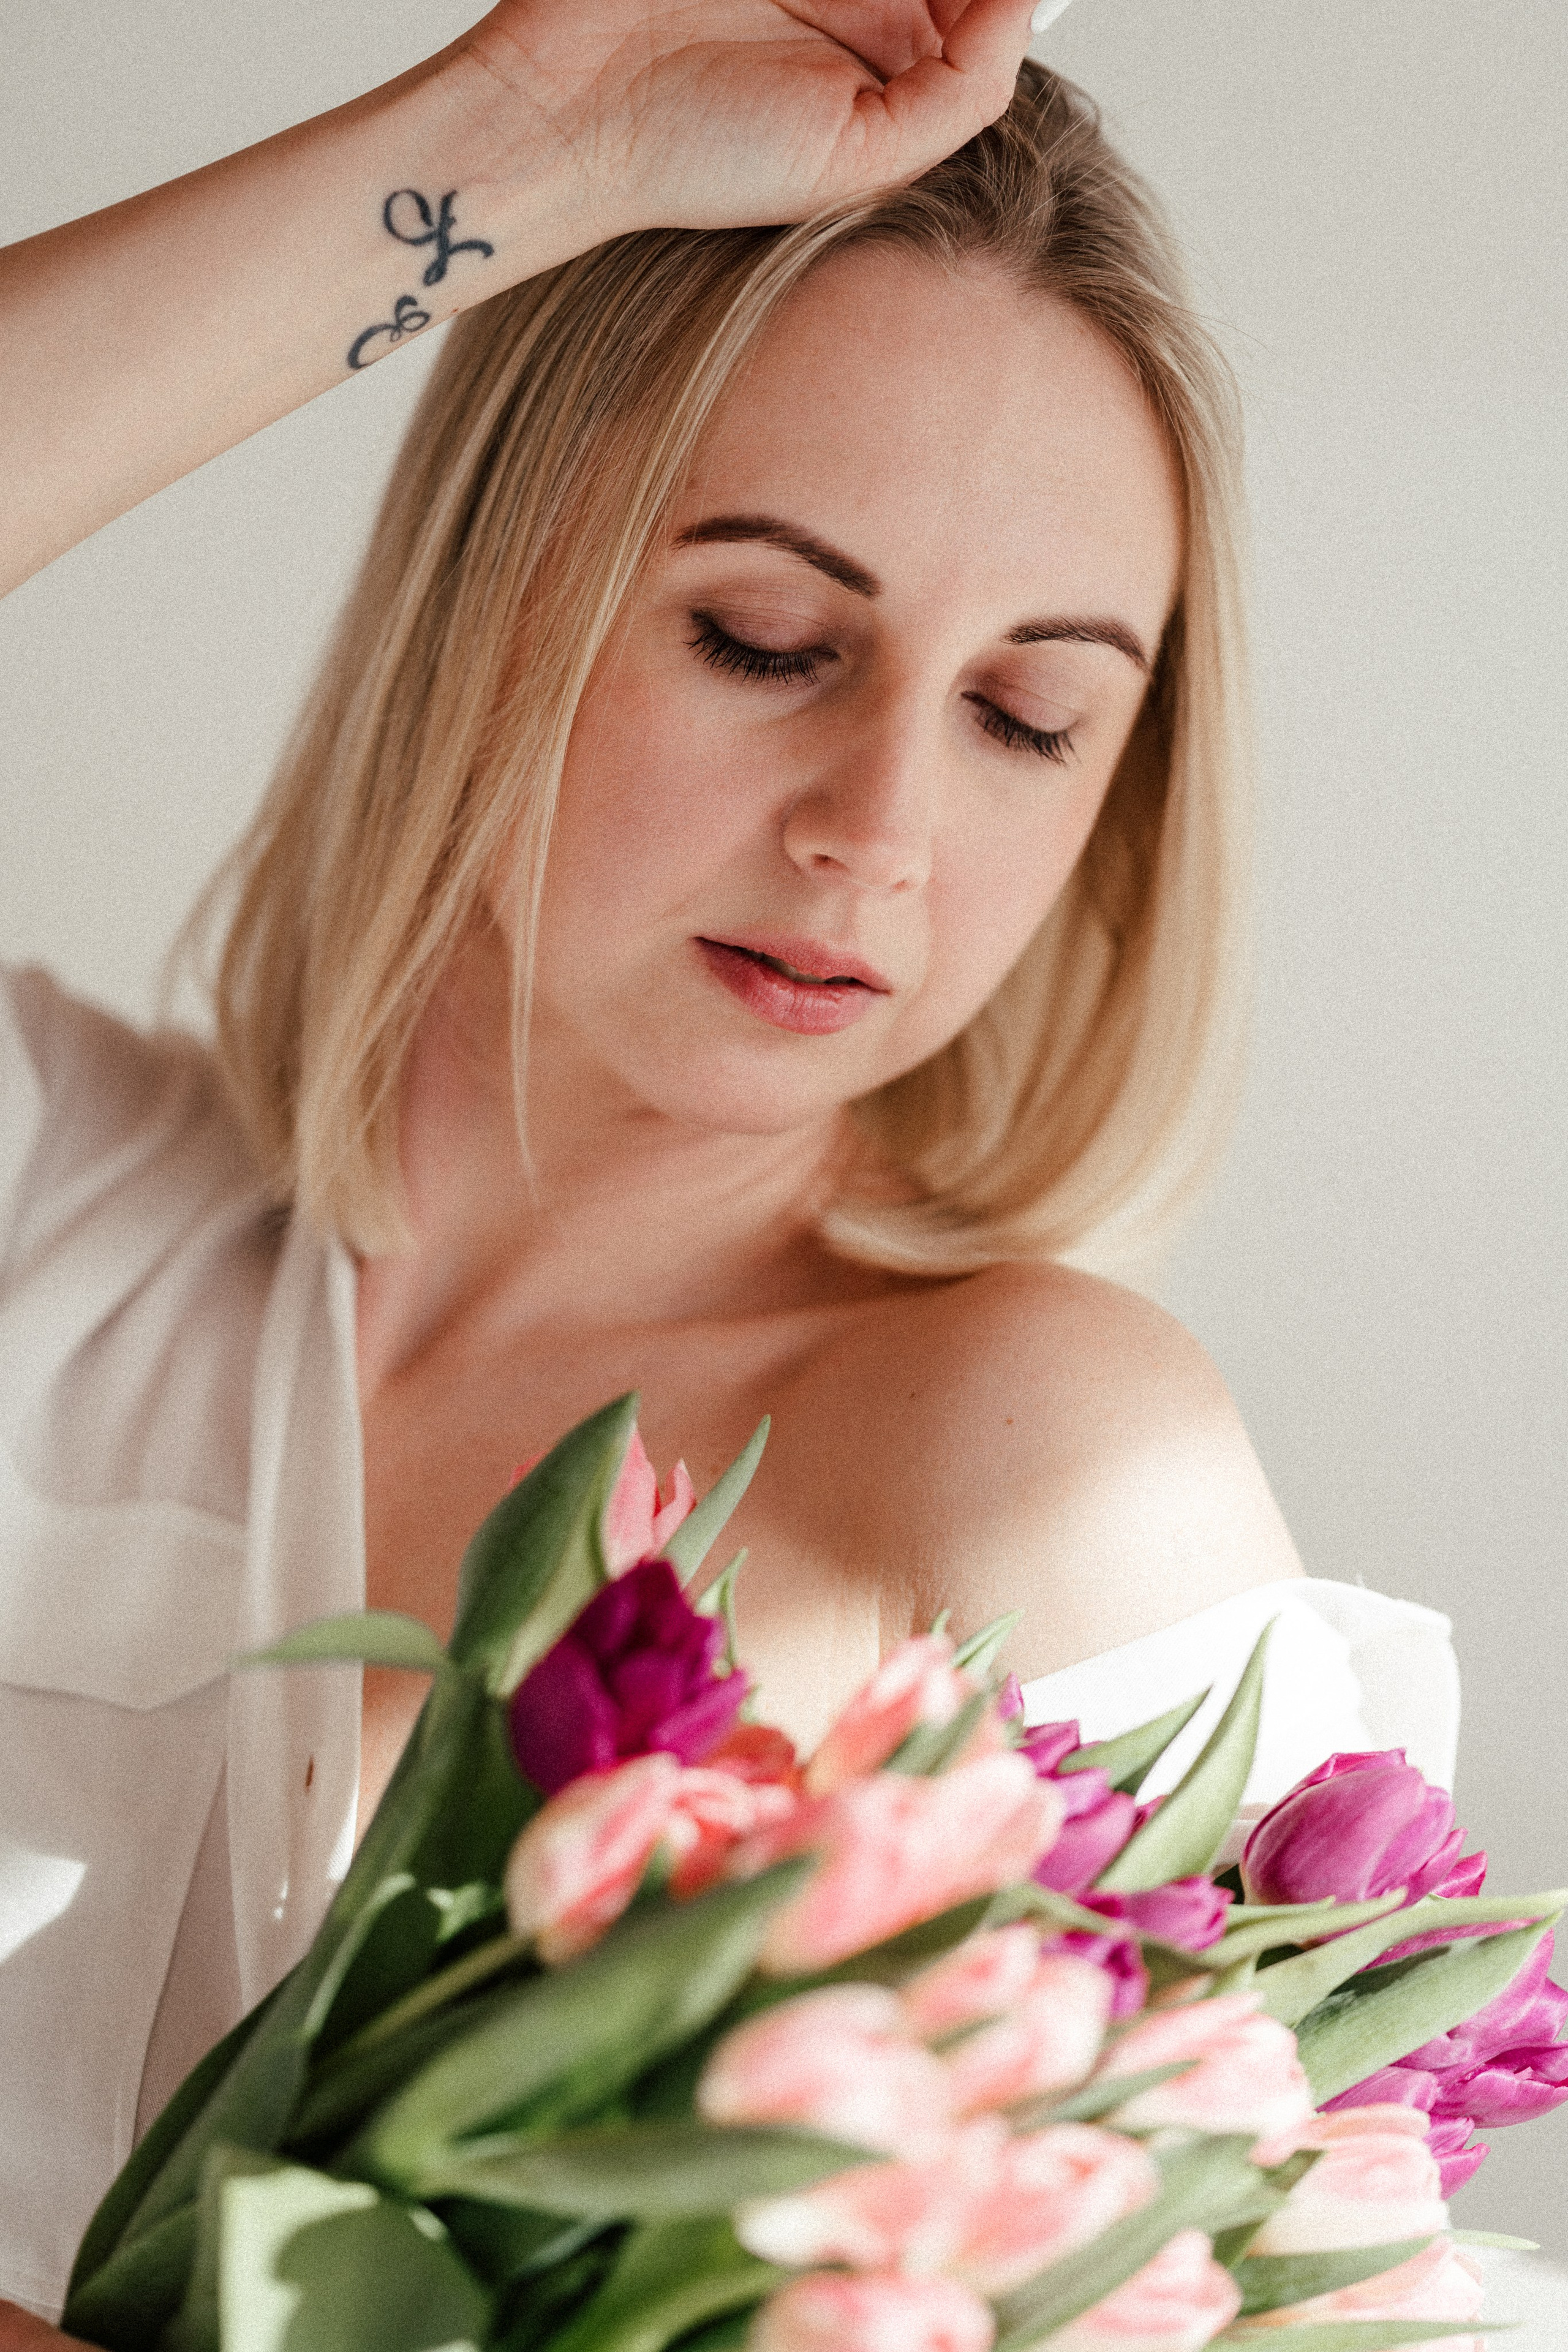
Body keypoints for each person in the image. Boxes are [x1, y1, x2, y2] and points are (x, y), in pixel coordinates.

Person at [0, 2, 1460, 2335]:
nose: (879, 832)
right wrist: (522, 135)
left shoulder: (1033, 1459)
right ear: (499, 600)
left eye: (1024, 714)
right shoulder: (44, 1209)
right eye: (768, 639)